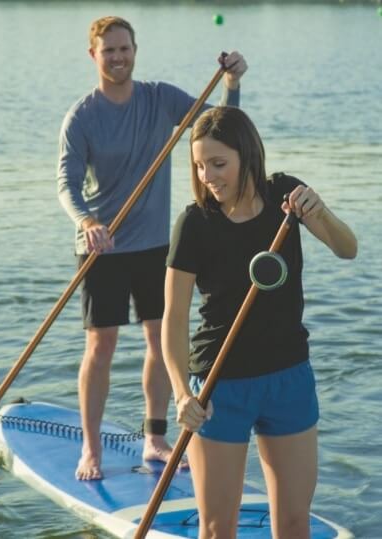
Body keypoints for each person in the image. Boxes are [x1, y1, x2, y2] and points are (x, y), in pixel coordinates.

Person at [57, 16, 248, 481]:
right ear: (94, 56)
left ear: (135, 51)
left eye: (124, 48)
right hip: (102, 246)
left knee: (161, 339)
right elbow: (66, 184)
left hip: (155, 246)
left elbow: (221, 130)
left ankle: (155, 437)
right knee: (101, 345)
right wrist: (88, 222)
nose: (118, 57)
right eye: (109, 50)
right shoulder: (82, 117)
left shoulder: (159, 98)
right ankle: (91, 447)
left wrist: (232, 84)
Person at [162, 106, 357, 538]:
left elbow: (348, 249)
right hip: (218, 387)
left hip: (288, 378)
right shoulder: (194, 223)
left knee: (294, 523)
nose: (208, 176)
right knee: (217, 528)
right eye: (199, 166)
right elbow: (173, 320)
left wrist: (320, 211)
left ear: (247, 154)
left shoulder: (287, 198)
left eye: (218, 163)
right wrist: (181, 393)